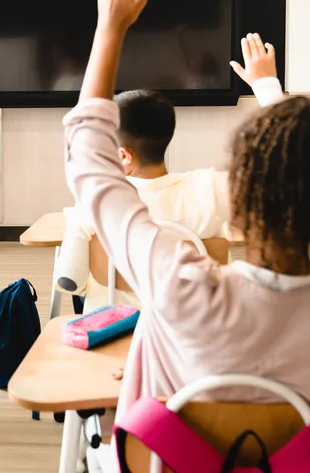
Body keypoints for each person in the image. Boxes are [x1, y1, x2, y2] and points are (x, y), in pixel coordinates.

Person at [66, 0, 310, 447]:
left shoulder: (177, 283)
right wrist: (269, 89)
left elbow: (90, 163)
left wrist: (110, 25)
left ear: (246, 187)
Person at [56, 33, 286, 312]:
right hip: (196, 338)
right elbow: (280, 172)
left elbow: (69, 282)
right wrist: (267, 87)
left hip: (115, 337)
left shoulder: (95, 204)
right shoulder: (208, 191)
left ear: (123, 156)